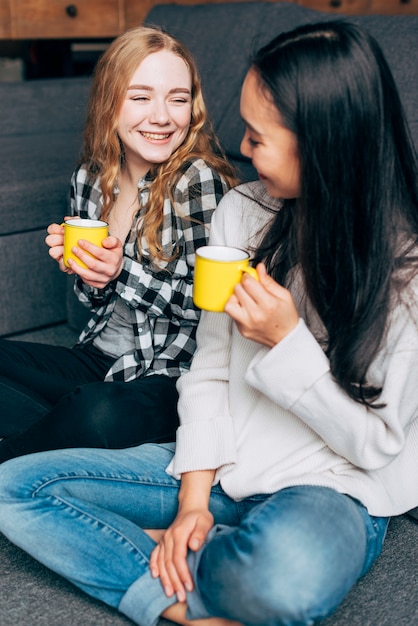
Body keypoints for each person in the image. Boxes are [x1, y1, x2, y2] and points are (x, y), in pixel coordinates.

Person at [0, 19, 418, 626]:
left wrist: (286, 342)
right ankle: (195, 584)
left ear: (321, 142)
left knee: (282, 578)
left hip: (330, 485)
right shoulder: (243, 212)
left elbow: (377, 446)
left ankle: (173, 562)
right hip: (217, 460)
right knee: (13, 487)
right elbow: (211, 367)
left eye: (257, 135)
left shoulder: (404, 273)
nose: (242, 151)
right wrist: (194, 500)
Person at [0, 26, 237, 463]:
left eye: (178, 98)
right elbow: (95, 302)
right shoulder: (89, 178)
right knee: (81, 403)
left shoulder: (200, 180)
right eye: (141, 96)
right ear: (110, 101)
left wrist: (120, 270)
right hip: (99, 359)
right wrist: (89, 273)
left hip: (171, 375)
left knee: (97, 412)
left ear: (193, 107)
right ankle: (59, 430)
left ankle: (30, 444)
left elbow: (213, 310)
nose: (162, 116)